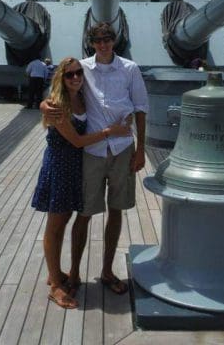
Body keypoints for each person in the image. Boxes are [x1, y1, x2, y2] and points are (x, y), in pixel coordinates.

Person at [41, 22, 149, 297]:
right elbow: (60, 89)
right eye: (98, 40)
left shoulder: (130, 69)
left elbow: (141, 109)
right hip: (92, 152)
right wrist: (44, 104)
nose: (103, 45)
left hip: (123, 148)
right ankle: (75, 272)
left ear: (115, 41)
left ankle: (107, 271)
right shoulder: (83, 68)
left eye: (107, 39)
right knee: (85, 213)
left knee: (116, 211)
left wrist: (140, 150)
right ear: (91, 43)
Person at [32, 57, 131, 309]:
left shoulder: (81, 96)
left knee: (64, 221)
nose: (76, 77)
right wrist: (110, 132)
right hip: (60, 167)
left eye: (78, 73)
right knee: (55, 225)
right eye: (69, 75)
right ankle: (55, 286)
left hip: (77, 165)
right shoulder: (58, 104)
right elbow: (76, 141)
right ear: (60, 79)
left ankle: (55, 273)